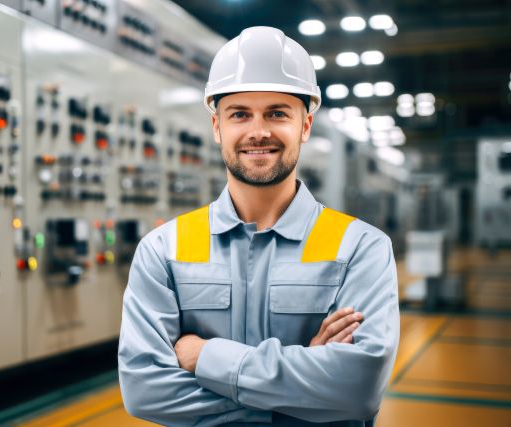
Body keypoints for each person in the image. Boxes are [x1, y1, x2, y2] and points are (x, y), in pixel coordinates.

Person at [118, 26, 399, 426]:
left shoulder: (360, 248)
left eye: (277, 113)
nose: (258, 131)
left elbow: (357, 390)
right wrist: (302, 393)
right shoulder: (163, 249)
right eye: (240, 114)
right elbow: (145, 391)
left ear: (305, 126)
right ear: (217, 128)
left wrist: (204, 357)